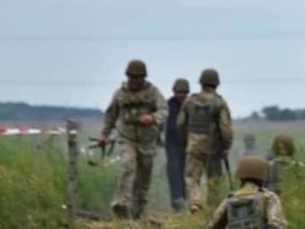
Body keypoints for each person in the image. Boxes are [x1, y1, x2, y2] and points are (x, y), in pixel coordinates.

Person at [100, 59, 167, 219]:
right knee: (127, 166)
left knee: (143, 177)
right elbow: (111, 115)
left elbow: (164, 110)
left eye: (138, 78)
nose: (134, 81)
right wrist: (104, 134)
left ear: (143, 78)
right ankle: (120, 203)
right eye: (132, 77)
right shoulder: (120, 94)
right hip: (127, 138)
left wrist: (152, 117)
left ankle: (137, 211)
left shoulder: (153, 93)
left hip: (147, 140)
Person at [177, 68, 234, 213]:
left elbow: (180, 123)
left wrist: (185, 142)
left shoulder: (190, 101)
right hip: (213, 148)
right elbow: (226, 128)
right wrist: (226, 146)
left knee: (192, 177)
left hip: (193, 146)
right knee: (213, 179)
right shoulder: (219, 103)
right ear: (216, 84)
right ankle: (212, 208)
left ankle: (195, 202)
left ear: (201, 82)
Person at [205, 156, 288, 229]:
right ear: (263, 178)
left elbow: (213, 225)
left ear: (241, 178)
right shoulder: (269, 197)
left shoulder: (230, 199)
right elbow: (277, 225)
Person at [165, 78, 190, 211]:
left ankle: (186, 199)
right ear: (174, 92)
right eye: (179, 92)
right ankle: (177, 199)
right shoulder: (168, 105)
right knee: (174, 170)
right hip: (172, 143)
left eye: (184, 93)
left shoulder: (191, 105)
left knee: (186, 171)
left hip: (188, 143)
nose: (181, 95)